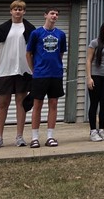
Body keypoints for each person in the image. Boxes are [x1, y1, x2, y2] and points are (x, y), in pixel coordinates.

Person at [0, 0, 35, 149]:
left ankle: (19, 137)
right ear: (11, 11)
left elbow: (34, 52)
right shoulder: (2, 29)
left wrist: (33, 70)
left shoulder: (30, 29)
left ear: (24, 11)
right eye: (15, 9)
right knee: (3, 104)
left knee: (21, 104)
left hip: (23, 71)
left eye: (20, 9)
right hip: (5, 71)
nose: (17, 11)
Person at [26, 8, 67, 147]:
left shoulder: (61, 34)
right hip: (40, 75)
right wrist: (34, 70)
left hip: (55, 74)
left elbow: (61, 53)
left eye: (56, 14)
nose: (54, 16)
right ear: (45, 15)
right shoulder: (36, 33)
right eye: (52, 13)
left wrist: (57, 66)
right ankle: (35, 138)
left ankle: (50, 136)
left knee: (53, 104)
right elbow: (29, 53)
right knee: (37, 105)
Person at [86, 20, 104, 141]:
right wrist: (89, 77)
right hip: (95, 76)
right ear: (103, 29)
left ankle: (101, 129)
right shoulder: (94, 42)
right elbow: (88, 60)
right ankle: (93, 131)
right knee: (94, 103)